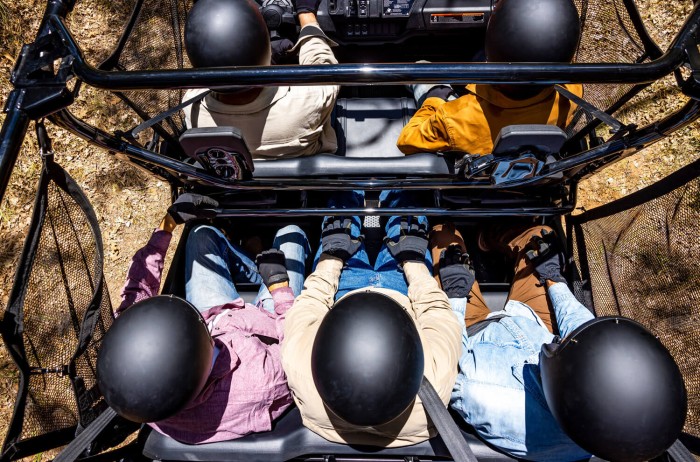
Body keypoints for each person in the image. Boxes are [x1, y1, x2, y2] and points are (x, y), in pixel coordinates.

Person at [429, 223, 687, 461]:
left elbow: (451, 360)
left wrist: (456, 293)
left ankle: (472, 242)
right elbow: (581, 331)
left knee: (445, 237)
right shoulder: (603, 419)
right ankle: (485, 240)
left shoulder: (485, 393)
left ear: (564, 381)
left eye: (566, 346)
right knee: (540, 235)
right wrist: (554, 279)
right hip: (531, 326)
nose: (567, 339)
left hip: (472, 332)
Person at [107, 193, 310, 444]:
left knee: (201, 234)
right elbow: (296, 348)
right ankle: (262, 263)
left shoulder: (133, 371)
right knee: (291, 234)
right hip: (268, 321)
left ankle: (256, 261)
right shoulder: (259, 382)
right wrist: (279, 287)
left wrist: (168, 224)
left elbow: (137, 289)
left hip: (218, 315)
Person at [281, 191, 462, 447]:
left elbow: (310, 305)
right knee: (406, 210)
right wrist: (411, 260)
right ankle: (400, 182)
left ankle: (348, 184)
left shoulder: (304, 373)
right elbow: (436, 313)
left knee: (340, 212)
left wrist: (333, 256)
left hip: (342, 290)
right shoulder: (435, 384)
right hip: (403, 292)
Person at [396, 0, 583, 156]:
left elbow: (407, 140)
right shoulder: (572, 93)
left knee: (421, 67)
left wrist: (436, 97)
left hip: (463, 119)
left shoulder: (453, 120)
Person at [182, 0, 339, 158]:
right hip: (311, 165)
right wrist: (306, 15)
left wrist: (270, 58)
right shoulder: (307, 102)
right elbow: (324, 65)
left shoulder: (192, 110)